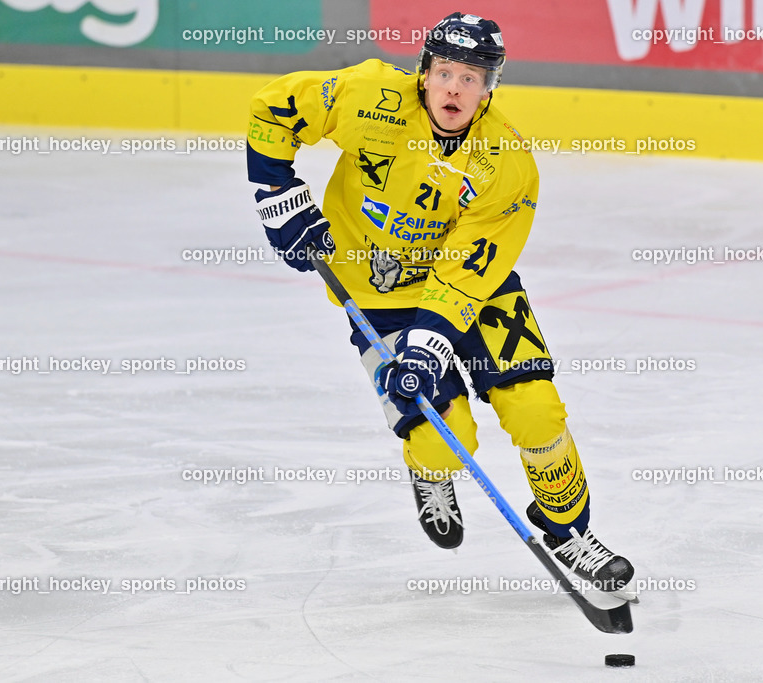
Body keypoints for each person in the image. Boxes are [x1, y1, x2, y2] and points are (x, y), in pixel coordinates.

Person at [247, 12, 633, 591]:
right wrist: (277, 194)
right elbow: (273, 109)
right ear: (424, 72)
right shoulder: (368, 96)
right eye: (446, 72)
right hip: (377, 294)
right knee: (444, 438)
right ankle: (432, 471)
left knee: (535, 410)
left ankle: (568, 531)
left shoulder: (505, 162)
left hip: (475, 289)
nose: (455, 87)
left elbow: (464, 275)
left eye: (472, 77)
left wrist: (429, 345)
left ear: (490, 87)